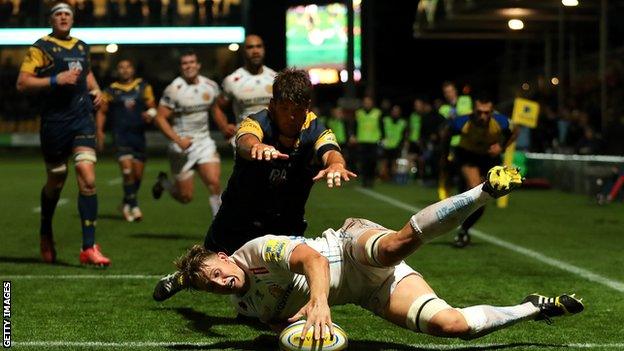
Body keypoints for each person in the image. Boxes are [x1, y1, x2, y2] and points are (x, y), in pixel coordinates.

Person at [173, 166, 583, 341]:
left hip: (348, 246)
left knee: (392, 247)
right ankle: (532, 307)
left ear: (224, 257)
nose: (219, 282)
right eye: (211, 286)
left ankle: (484, 191)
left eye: (215, 272)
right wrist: (291, 326)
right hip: (369, 294)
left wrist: (316, 303)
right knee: (451, 326)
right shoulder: (243, 307)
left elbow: (311, 260)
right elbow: (274, 320)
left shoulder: (256, 251)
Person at [153, 68, 356, 301]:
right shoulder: (256, 122)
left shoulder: (315, 128)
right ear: (272, 105)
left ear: (307, 107)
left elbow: (330, 150)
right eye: (285, 109)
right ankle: (181, 278)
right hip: (239, 213)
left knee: (281, 283)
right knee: (208, 266)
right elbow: (244, 141)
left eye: (297, 110)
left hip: (285, 218)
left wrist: (336, 165)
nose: (291, 117)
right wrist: (256, 147)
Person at [15, 1, 110, 266]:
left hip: (82, 120)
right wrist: (56, 79)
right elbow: (22, 83)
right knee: (56, 179)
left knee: (87, 178)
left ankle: (89, 247)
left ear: (73, 19)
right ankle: (46, 230)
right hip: (55, 123)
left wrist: (96, 90)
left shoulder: (81, 46)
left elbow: (87, 74)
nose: (64, 18)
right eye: (59, 14)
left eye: (68, 14)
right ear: (51, 20)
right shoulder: (41, 47)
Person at [151, 51, 225, 217]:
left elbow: (215, 110)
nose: (189, 66)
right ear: (180, 67)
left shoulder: (210, 86)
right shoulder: (174, 89)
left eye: (192, 62)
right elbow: (160, 118)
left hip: (204, 142)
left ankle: (218, 231)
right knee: (185, 197)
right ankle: (164, 182)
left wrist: (225, 128)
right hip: (182, 146)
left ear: (198, 65)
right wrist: (178, 140)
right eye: (185, 63)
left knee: (214, 183)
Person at [440, 93, 517, 248]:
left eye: (487, 112)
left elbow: (515, 132)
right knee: (477, 190)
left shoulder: (500, 122)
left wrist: (501, 147)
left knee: (483, 198)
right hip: (467, 156)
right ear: (474, 111)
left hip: (488, 158)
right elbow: (446, 134)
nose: (483, 116)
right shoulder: (462, 122)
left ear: (492, 111)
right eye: (479, 112)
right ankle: (460, 226)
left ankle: (464, 230)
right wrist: (445, 156)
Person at [96, 59, 156, 222]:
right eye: (121, 67)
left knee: (137, 176)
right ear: (117, 71)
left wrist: (150, 114)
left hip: (138, 136)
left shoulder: (143, 86)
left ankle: (125, 203)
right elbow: (102, 112)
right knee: (127, 171)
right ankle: (135, 206)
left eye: (128, 67)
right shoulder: (111, 90)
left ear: (133, 69)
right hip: (120, 136)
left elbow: (152, 107)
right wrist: (99, 131)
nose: (125, 70)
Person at [212, 34, 277, 146]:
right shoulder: (232, 80)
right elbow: (217, 106)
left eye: (258, 46)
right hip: (244, 138)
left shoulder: (275, 78)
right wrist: (224, 127)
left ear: (264, 49)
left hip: (272, 138)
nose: (255, 51)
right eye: (250, 47)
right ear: (243, 51)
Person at [438, 81, 473, 200]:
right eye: (446, 92)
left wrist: (454, 116)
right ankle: (448, 198)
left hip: (465, 142)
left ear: (455, 91)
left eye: (450, 91)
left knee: (464, 171)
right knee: (449, 172)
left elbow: (467, 115)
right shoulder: (443, 108)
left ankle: (464, 196)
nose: (448, 94)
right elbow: (443, 125)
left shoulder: (465, 100)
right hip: (451, 144)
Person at [353, 96, 383, 187]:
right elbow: (355, 125)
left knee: (372, 162)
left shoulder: (378, 113)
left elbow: (381, 126)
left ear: (372, 103)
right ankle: (365, 180)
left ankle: (371, 179)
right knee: (363, 162)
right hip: (362, 141)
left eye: (369, 102)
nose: (367, 104)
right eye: (365, 102)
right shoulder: (359, 113)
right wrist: (353, 135)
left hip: (374, 141)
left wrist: (383, 137)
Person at [381, 104, 407, 181]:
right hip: (386, 144)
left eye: (397, 111)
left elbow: (405, 134)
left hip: (397, 145)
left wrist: (403, 142)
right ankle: (383, 177)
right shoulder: (386, 120)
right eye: (394, 111)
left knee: (394, 162)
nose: (395, 112)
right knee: (384, 162)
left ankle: (393, 177)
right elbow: (381, 130)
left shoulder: (403, 122)